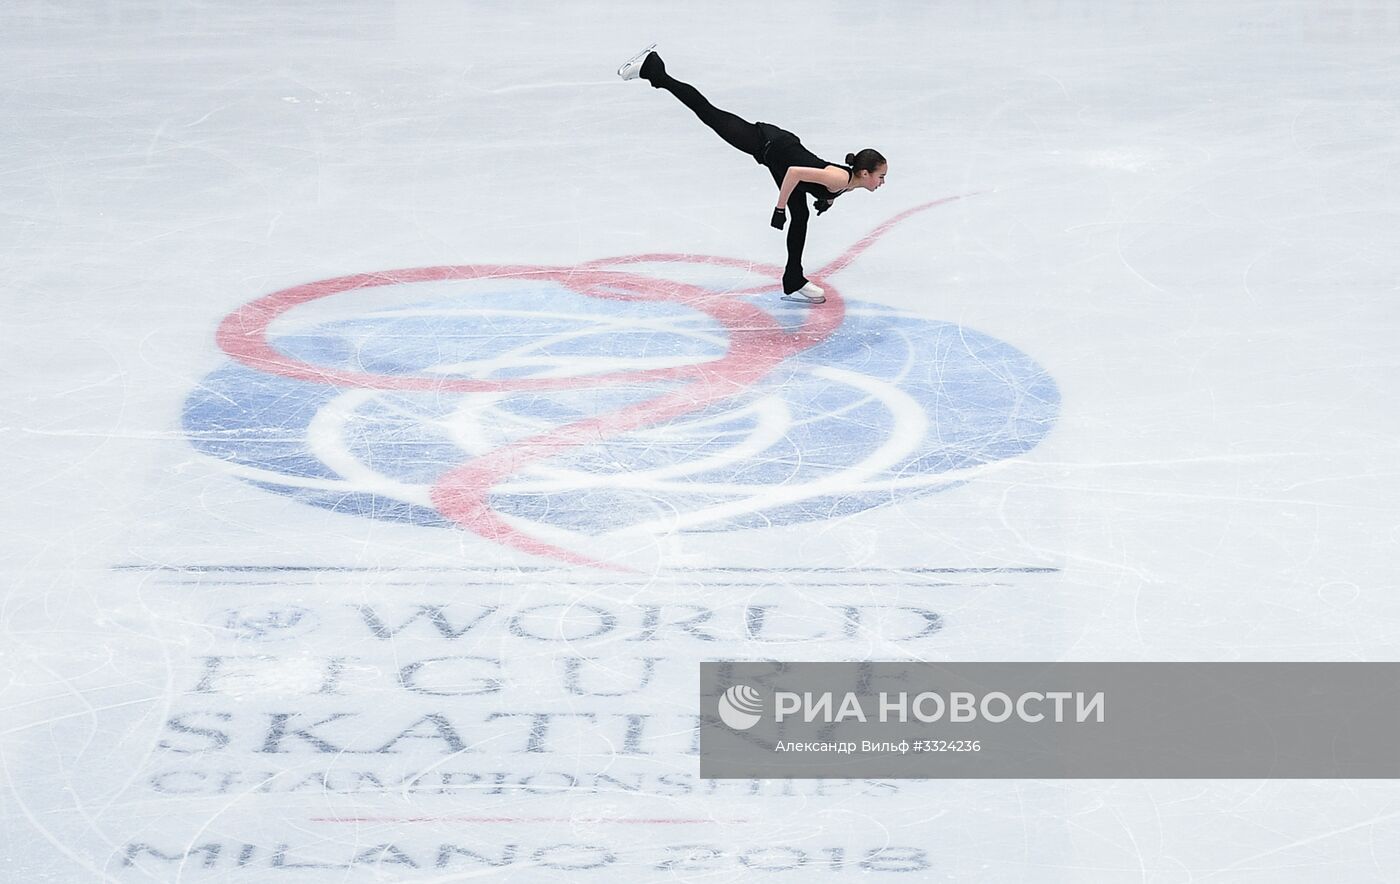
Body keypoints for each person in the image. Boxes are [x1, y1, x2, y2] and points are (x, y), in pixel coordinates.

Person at [619, 45, 887, 304]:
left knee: (802, 215)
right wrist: (780, 208)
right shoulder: (839, 179)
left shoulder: (850, 182)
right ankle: (655, 71)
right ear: (865, 173)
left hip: (781, 153)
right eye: (880, 177)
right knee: (708, 113)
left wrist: (826, 201)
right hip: (767, 143)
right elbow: (794, 174)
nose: (882, 182)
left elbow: (820, 182)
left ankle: (793, 278)